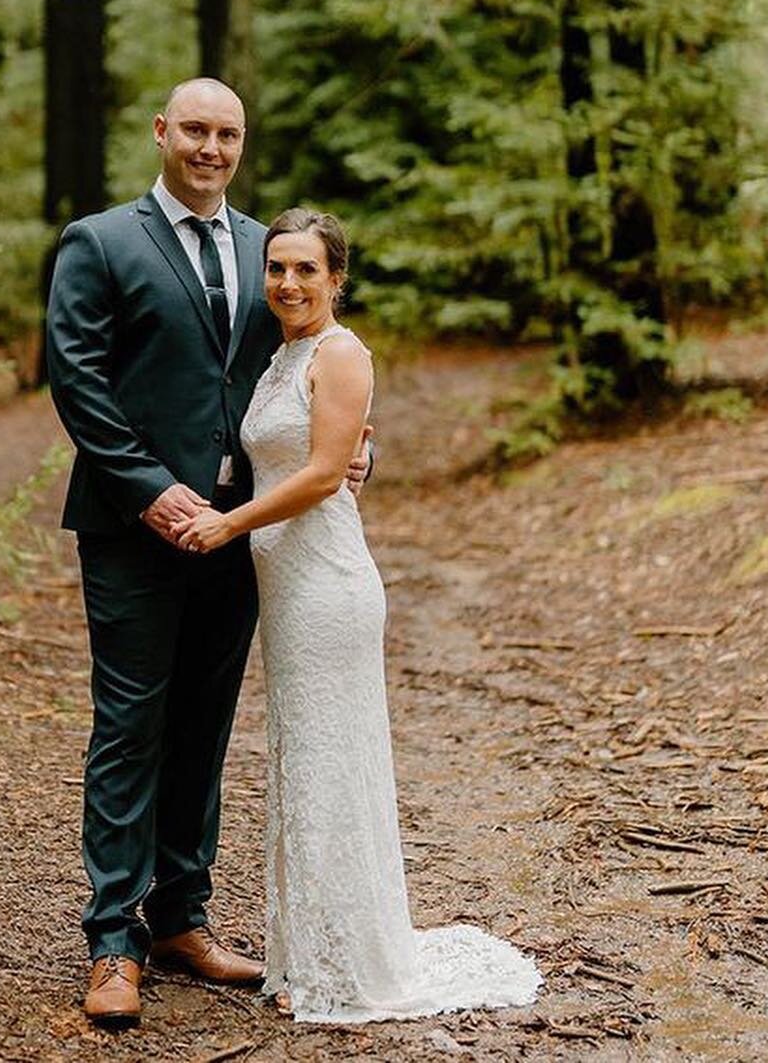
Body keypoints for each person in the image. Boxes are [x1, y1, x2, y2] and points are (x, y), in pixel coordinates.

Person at [177, 209, 542, 1024]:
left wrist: (228, 524)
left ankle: (349, 961)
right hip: (286, 584)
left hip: (327, 584)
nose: (288, 283)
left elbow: (319, 474)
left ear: (337, 278)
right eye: (277, 267)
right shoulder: (282, 356)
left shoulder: (341, 353)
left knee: (330, 761)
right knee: (304, 760)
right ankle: (313, 947)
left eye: (307, 269)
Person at [45, 79, 285, 1028]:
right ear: (161, 132)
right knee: (131, 721)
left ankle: (184, 916)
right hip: (133, 529)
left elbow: (303, 363)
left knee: (206, 722)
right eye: (195, 129)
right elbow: (79, 378)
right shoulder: (99, 242)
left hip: (237, 526)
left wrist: (355, 442)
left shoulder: (270, 247)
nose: (211, 147)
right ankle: (113, 938)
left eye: (227, 133)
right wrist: (149, 489)